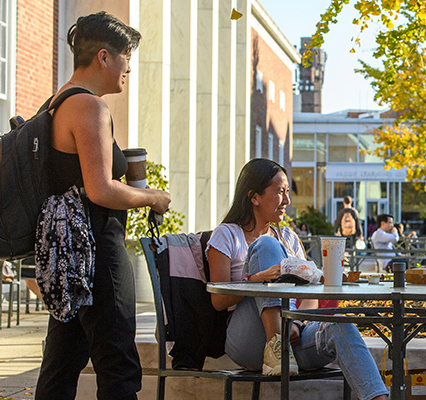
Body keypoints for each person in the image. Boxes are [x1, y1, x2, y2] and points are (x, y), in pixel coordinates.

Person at [35, 12, 172, 400]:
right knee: (118, 365)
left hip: (69, 254)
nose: (129, 67)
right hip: (96, 250)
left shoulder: (56, 102)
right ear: (104, 57)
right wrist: (154, 197)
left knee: (62, 363)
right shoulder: (90, 107)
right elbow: (100, 190)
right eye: (126, 55)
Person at [206, 159, 388, 400]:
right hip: (249, 340)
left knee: (342, 325)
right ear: (254, 196)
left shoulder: (290, 238)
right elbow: (218, 301)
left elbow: (310, 292)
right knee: (266, 244)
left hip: (294, 336)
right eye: (280, 192)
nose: (287, 201)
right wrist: (258, 279)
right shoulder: (227, 234)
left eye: (288, 192)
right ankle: (276, 345)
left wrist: (298, 324)